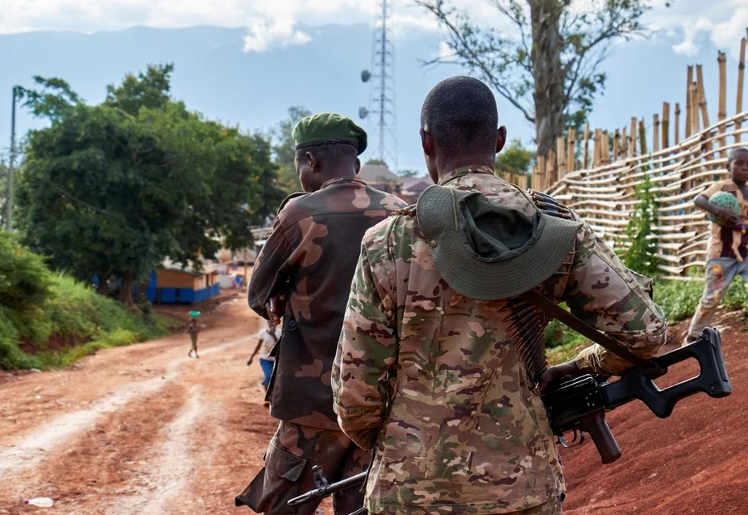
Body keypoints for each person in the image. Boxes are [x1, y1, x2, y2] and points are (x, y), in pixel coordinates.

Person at [332, 77, 667, 515]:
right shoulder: (554, 228)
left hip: (411, 492)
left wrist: (403, 448)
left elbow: (356, 393)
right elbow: (643, 334)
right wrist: (582, 365)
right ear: (500, 139)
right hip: (522, 489)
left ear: (426, 142)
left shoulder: (387, 241)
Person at [235, 113, 407, 515]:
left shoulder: (299, 214)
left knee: (284, 506)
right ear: (356, 164)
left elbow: (258, 294)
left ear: (309, 160)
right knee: (361, 507)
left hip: (312, 401)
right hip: (383, 401)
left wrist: (284, 298)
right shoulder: (400, 212)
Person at [686, 147, 748, 345]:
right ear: (728, 166)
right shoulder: (723, 187)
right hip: (721, 255)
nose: (745, 168)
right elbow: (699, 199)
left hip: (745, 253)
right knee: (712, 297)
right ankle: (693, 337)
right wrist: (719, 212)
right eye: (739, 163)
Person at [248, 319, 281, 389]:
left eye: (272, 322)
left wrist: (273, 335)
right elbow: (258, 346)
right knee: (268, 376)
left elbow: (279, 346)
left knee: (277, 378)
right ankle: (266, 391)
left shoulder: (280, 333)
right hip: (265, 358)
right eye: (269, 322)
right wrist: (251, 357)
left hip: (276, 360)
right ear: (267, 323)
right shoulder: (263, 333)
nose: (271, 324)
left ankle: (272, 392)